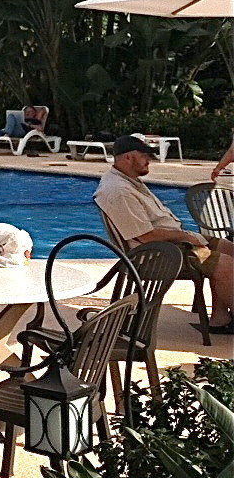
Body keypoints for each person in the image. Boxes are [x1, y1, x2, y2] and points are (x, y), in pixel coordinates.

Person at [95, 135, 234, 335]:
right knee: (226, 264)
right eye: (143, 156)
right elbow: (145, 236)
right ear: (127, 157)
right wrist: (185, 237)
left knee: (228, 248)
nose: (148, 160)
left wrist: (186, 236)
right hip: (158, 254)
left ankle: (220, 319)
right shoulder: (119, 191)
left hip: (174, 243)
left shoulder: (128, 180)